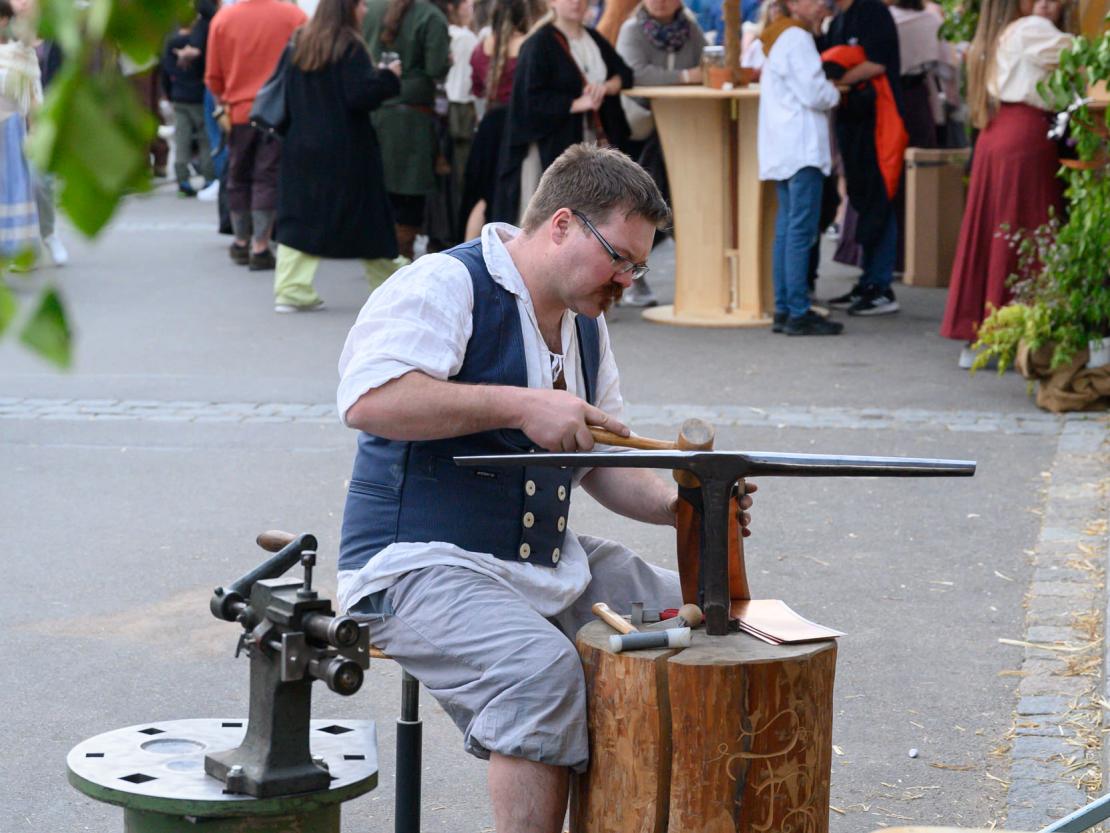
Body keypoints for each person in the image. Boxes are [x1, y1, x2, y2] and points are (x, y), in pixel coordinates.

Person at [336, 143, 755, 833]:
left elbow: (598, 463)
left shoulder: (587, 330)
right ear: (561, 225)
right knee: (540, 672)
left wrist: (692, 502)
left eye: (639, 266)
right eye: (619, 257)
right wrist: (521, 405)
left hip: (537, 563)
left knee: (696, 619)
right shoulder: (445, 284)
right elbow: (371, 401)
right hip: (412, 564)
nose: (626, 280)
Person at [940, 0, 1072, 367]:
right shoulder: (1033, 28)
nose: (1045, 5)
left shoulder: (1009, 30)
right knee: (1025, 230)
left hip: (1002, 136)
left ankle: (985, 332)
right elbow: (1086, 55)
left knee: (997, 232)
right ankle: (1009, 335)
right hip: (1025, 139)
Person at [271, 0, 404, 312]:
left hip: (301, 143)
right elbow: (359, 95)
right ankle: (394, 283)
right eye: (361, 5)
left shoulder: (301, 42)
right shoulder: (349, 46)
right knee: (368, 218)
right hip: (345, 148)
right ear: (347, 8)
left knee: (301, 217)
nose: (366, 10)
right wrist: (388, 77)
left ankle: (291, 288)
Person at [491, 0, 633, 226]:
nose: (577, 3)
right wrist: (576, 103)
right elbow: (529, 103)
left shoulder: (593, 39)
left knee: (592, 216)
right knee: (554, 217)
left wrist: (605, 88)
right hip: (553, 147)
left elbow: (625, 73)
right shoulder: (538, 43)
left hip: (591, 145)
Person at [758, 0, 842, 335]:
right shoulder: (797, 38)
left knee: (786, 230)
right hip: (802, 148)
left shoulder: (777, 37)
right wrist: (835, 92)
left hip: (784, 148)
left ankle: (785, 307)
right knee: (800, 232)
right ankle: (797, 310)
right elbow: (814, 92)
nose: (822, 4)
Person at [615, 0, 705, 306]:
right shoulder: (632, 29)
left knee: (681, 203)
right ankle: (629, 276)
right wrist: (683, 77)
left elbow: (705, 67)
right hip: (640, 130)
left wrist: (693, 75)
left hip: (685, 128)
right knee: (641, 206)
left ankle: (698, 280)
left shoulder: (691, 29)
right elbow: (635, 73)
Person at [206, 0, 307, 270]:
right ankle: (261, 246)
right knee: (268, 178)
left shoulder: (223, 20)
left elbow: (213, 78)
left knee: (238, 176)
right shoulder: (294, 16)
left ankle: (241, 241)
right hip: (279, 113)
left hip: (238, 112)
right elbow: (307, 65)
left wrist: (223, 105)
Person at [821, 0, 906, 316]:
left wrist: (841, 82)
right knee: (860, 197)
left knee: (880, 197)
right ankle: (869, 280)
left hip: (880, 119)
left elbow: (878, 63)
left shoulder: (873, 11)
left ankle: (881, 286)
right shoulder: (839, 19)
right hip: (851, 119)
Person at [363, 0, 451, 259]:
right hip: (412, 120)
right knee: (409, 196)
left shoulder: (370, 8)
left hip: (375, 112)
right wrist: (448, 59)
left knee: (381, 189)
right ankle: (399, 258)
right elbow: (436, 67)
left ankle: (380, 254)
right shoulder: (431, 15)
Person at [459, 0, 541, 239]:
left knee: (481, 197)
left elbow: (475, 88)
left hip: (488, 125)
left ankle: (470, 252)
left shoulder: (482, 46)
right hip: (514, 126)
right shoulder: (528, 45)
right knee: (508, 193)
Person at [0, 0, 41, 261]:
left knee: (13, 186)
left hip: (10, 128)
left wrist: (37, 129)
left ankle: (14, 247)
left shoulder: (19, 52)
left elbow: (32, 95)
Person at [162, 19, 216, 197]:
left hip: (179, 97)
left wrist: (170, 94)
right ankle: (209, 177)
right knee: (204, 139)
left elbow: (166, 73)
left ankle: (182, 180)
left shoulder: (171, 43)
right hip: (198, 96)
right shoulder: (198, 42)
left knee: (181, 139)